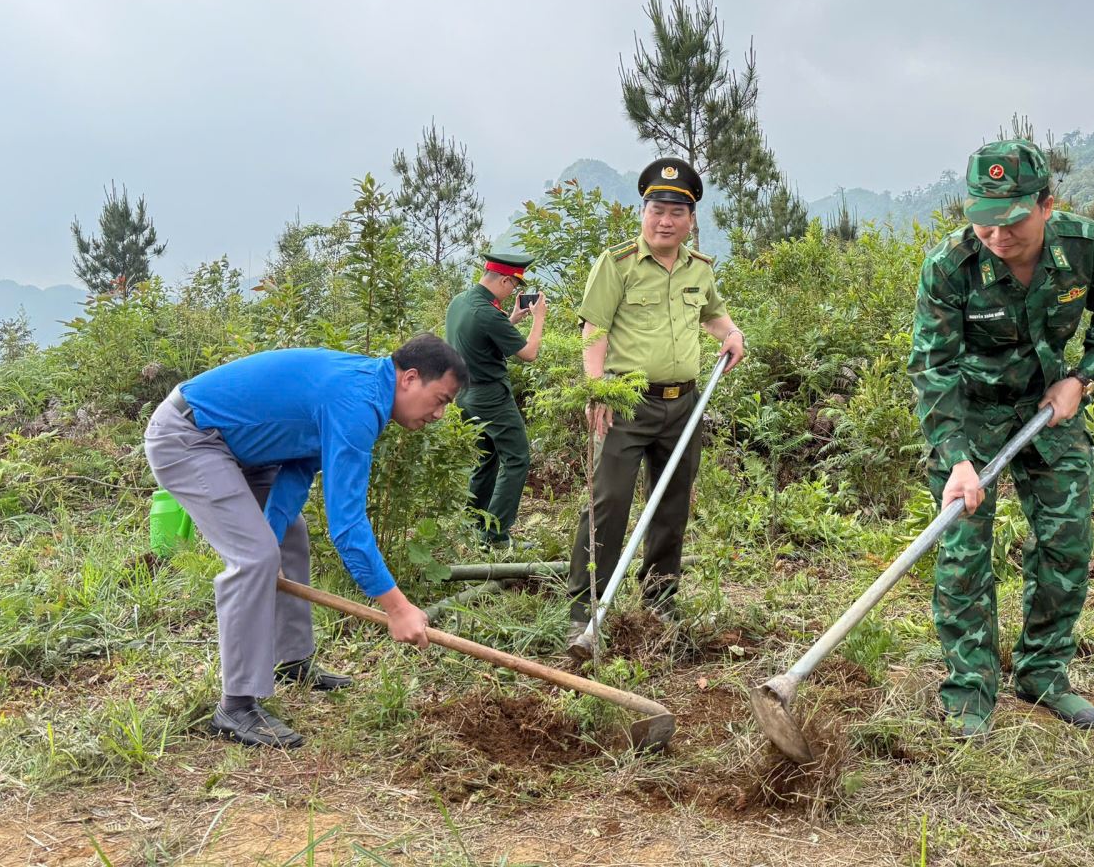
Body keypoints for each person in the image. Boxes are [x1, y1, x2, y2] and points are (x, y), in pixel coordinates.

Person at [909, 140, 1094, 737]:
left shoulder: (1086, 246)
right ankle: (970, 688)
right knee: (964, 552)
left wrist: (1081, 378)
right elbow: (933, 370)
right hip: (971, 414)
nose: (996, 235)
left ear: (1046, 205)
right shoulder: (950, 266)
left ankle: (1043, 674)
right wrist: (956, 459)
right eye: (983, 220)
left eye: (1011, 220)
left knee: (1066, 542)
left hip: (1048, 408)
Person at [143, 333, 467, 748]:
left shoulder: (366, 389)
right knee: (255, 557)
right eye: (440, 399)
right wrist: (397, 608)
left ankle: (291, 659)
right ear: (410, 378)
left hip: (243, 448)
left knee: (288, 536)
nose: (440, 413)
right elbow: (347, 526)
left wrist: (274, 535)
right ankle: (235, 706)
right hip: (191, 436)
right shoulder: (358, 403)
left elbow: (299, 467)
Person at [565, 157, 747, 650]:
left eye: (676, 212)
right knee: (608, 504)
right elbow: (594, 329)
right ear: (643, 212)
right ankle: (583, 610)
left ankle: (660, 602)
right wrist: (597, 390)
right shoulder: (618, 264)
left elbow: (713, 313)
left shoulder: (699, 268)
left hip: (683, 405)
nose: (665, 221)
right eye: (656, 210)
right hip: (625, 404)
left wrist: (731, 333)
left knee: (671, 505)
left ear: (690, 219)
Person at [443, 249, 548, 549]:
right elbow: (529, 354)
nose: (514, 291)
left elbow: (482, 338)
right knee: (516, 458)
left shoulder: (460, 302)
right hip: (490, 397)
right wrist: (538, 318)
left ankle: (474, 526)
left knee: (487, 458)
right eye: (514, 285)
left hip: (464, 395)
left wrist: (512, 319)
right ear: (504, 280)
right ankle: (496, 536)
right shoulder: (488, 313)